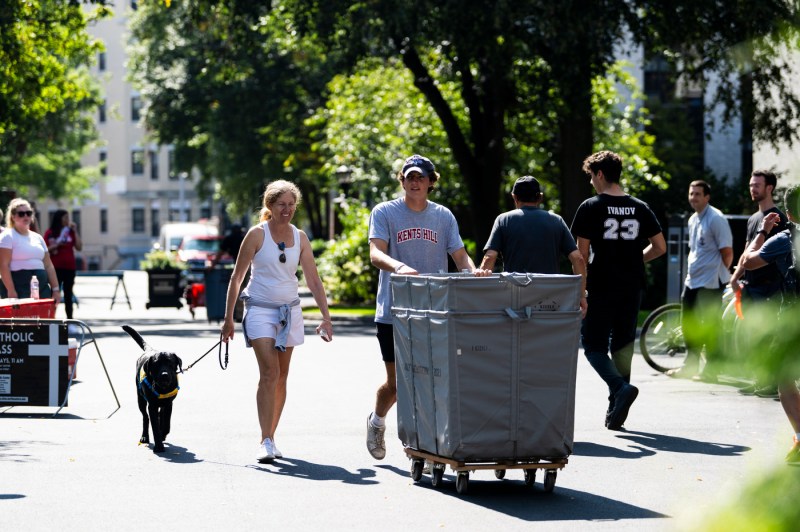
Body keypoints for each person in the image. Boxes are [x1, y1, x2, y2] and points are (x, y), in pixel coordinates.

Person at [366, 154, 491, 460]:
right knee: (397, 386)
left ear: (431, 181)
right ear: (402, 180)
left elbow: (460, 257)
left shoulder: (443, 216)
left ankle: (426, 444)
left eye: (421, 177)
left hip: (435, 311)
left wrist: (471, 273)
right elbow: (375, 254)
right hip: (394, 311)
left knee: (434, 380)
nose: (415, 182)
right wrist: (399, 266)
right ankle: (377, 421)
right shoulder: (385, 212)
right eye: (409, 176)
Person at [220, 180, 334, 463]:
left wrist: (326, 317)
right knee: (269, 372)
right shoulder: (257, 235)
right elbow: (237, 278)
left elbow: (313, 279)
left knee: (282, 377)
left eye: (291, 204)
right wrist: (228, 320)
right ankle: (265, 440)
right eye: (281, 204)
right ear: (269, 206)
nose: (287, 210)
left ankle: (271, 435)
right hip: (259, 309)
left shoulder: (301, 237)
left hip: (290, 312)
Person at [570, 151, 666, 430]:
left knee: (593, 346)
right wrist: (637, 259)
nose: (591, 183)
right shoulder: (641, 207)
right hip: (632, 285)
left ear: (600, 174)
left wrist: (581, 291)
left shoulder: (590, 207)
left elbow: (582, 254)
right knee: (622, 347)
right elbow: (660, 247)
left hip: (602, 285)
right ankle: (617, 408)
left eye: (591, 176)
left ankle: (619, 389)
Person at [741, 184, 800, 463]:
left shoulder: (785, 239)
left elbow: (747, 262)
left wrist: (763, 230)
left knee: (785, 382)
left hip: (792, 321)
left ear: (787, 212)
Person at [480, 175, 587, 317]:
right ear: (540, 197)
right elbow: (578, 258)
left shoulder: (503, 220)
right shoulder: (556, 220)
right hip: (549, 300)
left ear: (514, 197)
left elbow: (490, 257)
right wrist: (581, 295)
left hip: (514, 298)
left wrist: (479, 292)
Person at [730, 169, 788, 396]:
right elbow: (747, 250)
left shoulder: (778, 219)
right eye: (751, 184)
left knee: (766, 336)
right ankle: (759, 379)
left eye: (757, 185)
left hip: (770, 287)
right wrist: (736, 278)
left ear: (769, 188)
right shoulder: (754, 219)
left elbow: (778, 255)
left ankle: (773, 382)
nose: (752, 189)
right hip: (751, 286)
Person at [668, 181, 733, 380]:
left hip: (711, 282)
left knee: (710, 325)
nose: (693, 197)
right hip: (693, 280)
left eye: (698, 194)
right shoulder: (693, 219)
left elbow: (727, 252)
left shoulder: (716, 218)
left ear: (707, 197)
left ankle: (712, 369)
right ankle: (691, 365)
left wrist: (722, 275)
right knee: (689, 324)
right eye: (691, 193)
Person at [0, 198, 61, 306]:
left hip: (41, 287)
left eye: (28, 213)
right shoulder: (7, 236)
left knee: (42, 321)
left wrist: (56, 289)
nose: (26, 216)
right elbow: (3, 265)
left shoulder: (37, 237)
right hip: (18, 286)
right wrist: (11, 290)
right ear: (13, 216)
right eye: (21, 214)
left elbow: (48, 265)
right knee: (22, 322)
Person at [43, 209, 83, 319]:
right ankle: (51, 319)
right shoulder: (50, 233)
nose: (68, 220)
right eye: (65, 218)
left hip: (69, 268)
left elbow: (79, 247)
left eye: (68, 218)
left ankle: (70, 320)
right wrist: (57, 244)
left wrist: (75, 231)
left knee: (68, 294)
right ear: (59, 219)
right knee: (55, 294)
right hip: (55, 269)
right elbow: (44, 249)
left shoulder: (70, 232)